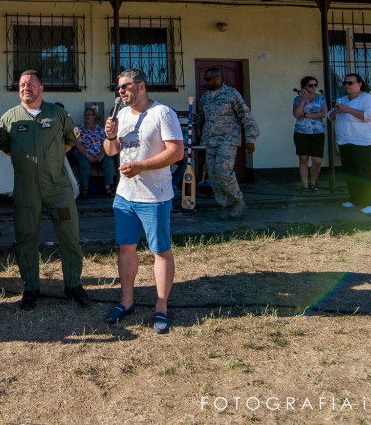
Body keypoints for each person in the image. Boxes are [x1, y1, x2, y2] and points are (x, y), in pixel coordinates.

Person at [0, 70, 87, 311]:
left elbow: (71, 139)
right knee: (25, 239)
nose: (26, 88)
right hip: (26, 190)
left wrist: (51, 160)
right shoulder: (9, 118)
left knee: (69, 235)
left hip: (58, 187)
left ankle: (73, 285)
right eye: (22, 84)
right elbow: (4, 146)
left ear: (41, 88)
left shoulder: (57, 114)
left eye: (31, 84)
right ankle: (31, 288)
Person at [102, 68, 183, 334]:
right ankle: (127, 302)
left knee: (160, 251)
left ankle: (161, 306)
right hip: (125, 196)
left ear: (142, 86)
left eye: (125, 86)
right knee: (126, 249)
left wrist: (142, 166)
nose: (121, 92)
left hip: (154, 196)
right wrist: (111, 136)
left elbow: (176, 152)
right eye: (119, 89)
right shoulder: (121, 114)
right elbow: (112, 151)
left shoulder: (163, 113)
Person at [197, 67, 259, 219]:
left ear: (218, 78)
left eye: (208, 79)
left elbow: (246, 116)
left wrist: (250, 139)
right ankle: (225, 205)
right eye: (205, 79)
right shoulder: (205, 97)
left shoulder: (232, 94)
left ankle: (238, 201)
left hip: (228, 139)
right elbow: (201, 119)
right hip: (210, 141)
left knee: (223, 172)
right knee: (213, 174)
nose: (205, 82)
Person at [328, 73, 371, 215]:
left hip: (365, 142)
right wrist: (336, 111)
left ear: (359, 84)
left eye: (350, 83)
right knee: (351, 172)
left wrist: (348, 110)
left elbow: (369, 116)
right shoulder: (343, 99)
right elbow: (330, 117)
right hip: (346, 140)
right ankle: (356, 199)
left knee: (365, 172)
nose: (346, 85)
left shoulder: (367, 98)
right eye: (345, 83)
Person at [292, 75, 327, 193]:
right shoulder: (297, 99)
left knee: (317, 161)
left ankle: (313, 183)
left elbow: (323, 114)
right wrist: (303, 100)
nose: (313, 87)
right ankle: (305, 185)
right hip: (301, 132)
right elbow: (297, 114)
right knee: (303, 158)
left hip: (317, 132)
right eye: (310, 85)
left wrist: (307, 115)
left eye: (315, 85)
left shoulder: (321, 98)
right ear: (304, 87)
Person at [73, 107, 116, 198]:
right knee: (84, 164)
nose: (87, 116)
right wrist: (88, 156)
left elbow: (106, 142)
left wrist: (101, 155)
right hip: (84, 153)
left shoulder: (101, 129)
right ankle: (84, 188)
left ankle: (108, 187)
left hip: (99, 153)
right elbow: (77, 144)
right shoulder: (77, 129)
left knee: (109, 161)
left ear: (94, 116)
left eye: (90, 114)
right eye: (86, 114)